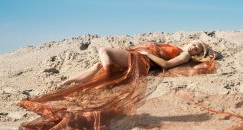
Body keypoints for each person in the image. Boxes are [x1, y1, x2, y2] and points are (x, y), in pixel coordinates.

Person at [59, 40, 217, 87]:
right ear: (190, 41)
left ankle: (109, 73)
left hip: (143, 60)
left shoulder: (184, 55)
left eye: (197, 49)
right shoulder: (177, 47)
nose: (194, 47)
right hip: (141, 57)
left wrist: (147, 53)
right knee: (97, 66)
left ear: (196, 54)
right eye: (195, 44)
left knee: (104, 51)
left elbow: (165, 65)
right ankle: (70, 81)